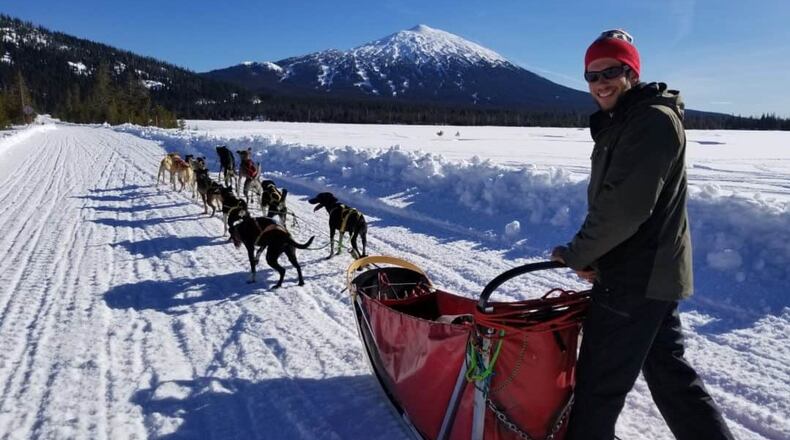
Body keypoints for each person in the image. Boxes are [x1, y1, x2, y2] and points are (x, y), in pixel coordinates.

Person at [550, 29, 734, 440]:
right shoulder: (627, 119)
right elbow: (617, 203)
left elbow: (625, 208)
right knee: (669, 375)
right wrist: (591, 254)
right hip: (649, 272)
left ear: (631, 72)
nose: (600, 83)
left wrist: (580, 253)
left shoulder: (651, 120)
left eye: (611, 71)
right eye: (591, 75)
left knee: (599, 383)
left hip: (635, 276)